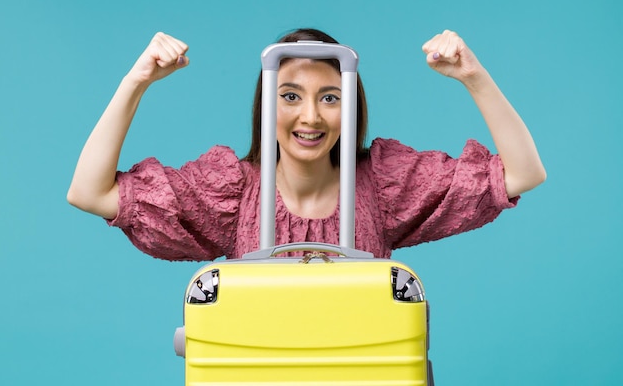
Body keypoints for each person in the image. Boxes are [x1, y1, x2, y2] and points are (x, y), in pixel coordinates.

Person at [67, 28, 546, 261]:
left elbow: (523, 174)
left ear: (351, 108)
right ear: (266, 107)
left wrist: (473, 76)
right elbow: (90, 193)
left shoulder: (381, 185)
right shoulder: (232, 192)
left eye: (330, 98)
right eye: (290, 96)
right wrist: (137, 81)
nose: (311, 116)